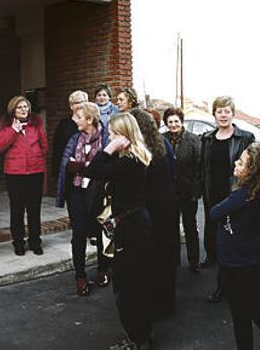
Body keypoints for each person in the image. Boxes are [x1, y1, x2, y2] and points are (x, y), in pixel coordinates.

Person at [211, 144, 260, 350]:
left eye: (242, 162)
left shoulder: (245, 195)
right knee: (248, 316)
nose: (236, 163)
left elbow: (214, 213)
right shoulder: (255, 193)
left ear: (252, 171)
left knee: (254, 316)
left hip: (245, 266)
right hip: (242, 262)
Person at [85, 113, 153, 350]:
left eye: (113, 134)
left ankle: (137, 339)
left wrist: (109, 148)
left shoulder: (129, 162)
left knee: (127, 285)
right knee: (134, 282)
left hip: (131, 227)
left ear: (124, 136)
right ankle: (139, 336)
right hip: (135, 223)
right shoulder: (135, 158)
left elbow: (92, 170)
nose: (110, 138)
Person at [198, 96, 255, 303]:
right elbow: (202, 167)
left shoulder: (245, 137)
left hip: (235, 193)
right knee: (215, 233)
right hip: (212, 192)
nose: (223, 115)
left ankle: (228, 286)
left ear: (233, 113)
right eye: (219, 111)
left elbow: (252, 167)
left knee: (234, 237)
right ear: (214, 115)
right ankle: (216, 265)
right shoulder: (206, 138)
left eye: (227, 111)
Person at [56, 102, 111, 296]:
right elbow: (66, 165)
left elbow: (107, 167)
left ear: (89, 120)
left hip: (99, 193)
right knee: (78, 234)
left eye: (79, 117)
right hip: (77, 192)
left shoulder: (106, 138)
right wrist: (85, 166)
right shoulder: (74, 138)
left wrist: (81, 166)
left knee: (100, 231)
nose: (75, 119)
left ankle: (103, 269)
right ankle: (80, 276)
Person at [132, 108, 180, 319]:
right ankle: (166, 303)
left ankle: (156, 305)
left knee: (154, 259)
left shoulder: (144, 148)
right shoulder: (162, 143)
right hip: (167, 207)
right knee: (165, 258)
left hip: (154, 210)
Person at [0, 95, 48, 256]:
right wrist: (14, 130)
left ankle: (35, 241)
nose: (24, 110)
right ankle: (18, 242)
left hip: (35, 172)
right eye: (20, 107)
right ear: (13, 110)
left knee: (34, 209)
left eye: (26, 107)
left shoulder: (36, 124)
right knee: (17, 210)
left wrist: (36, 157)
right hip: (15, 174)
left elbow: (44, 145)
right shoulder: (6, 125)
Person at [163, 107, 202, 273]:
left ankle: (194, 262)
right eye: (170, 122)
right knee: (170, 229)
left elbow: (199, 167)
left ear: (181, 122)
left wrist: (196, 191)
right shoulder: (162, 139)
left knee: (190, 226)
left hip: (188, 191)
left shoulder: (193, 140)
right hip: (169, 192)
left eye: (176, 121)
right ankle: (173, 261)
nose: (173, 125)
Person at [52, 91, 89, 184]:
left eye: (83, 101)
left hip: (86, 169)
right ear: (71, 106)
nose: (81, 104)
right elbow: (57, 149)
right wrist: (56, 172)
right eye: (77, 102)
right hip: (68, 169)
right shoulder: (64, 124)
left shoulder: (91, 122)